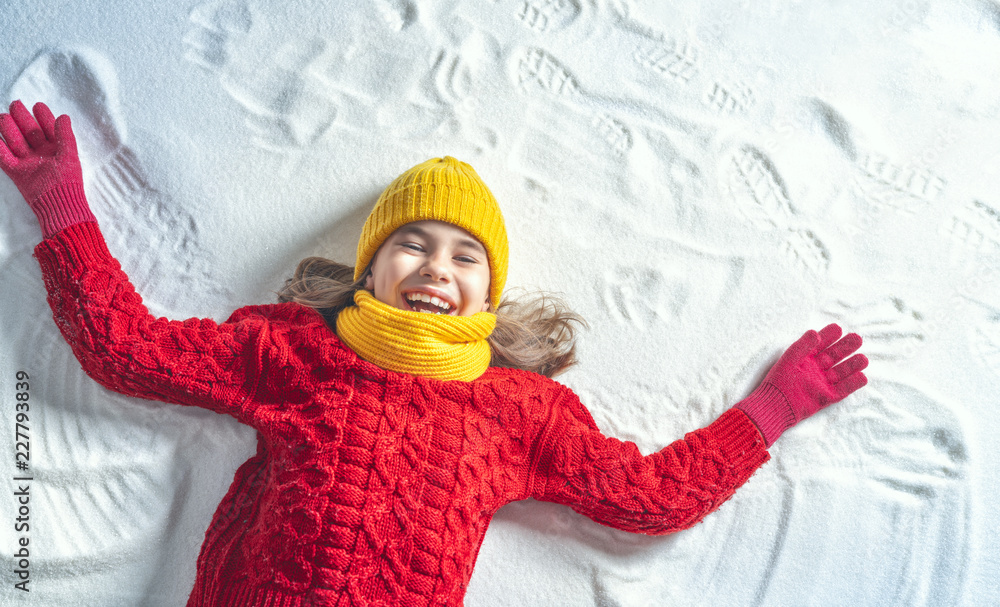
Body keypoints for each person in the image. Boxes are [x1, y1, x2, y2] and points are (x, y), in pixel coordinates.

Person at [0, 100, 868, 607]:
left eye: (464, 257)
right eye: (410, 243)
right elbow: (128, 351)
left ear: (487, 297)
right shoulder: (299, 352)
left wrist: (775, 407)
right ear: (370, 266)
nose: (434, 268)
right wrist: (61, 204)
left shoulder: (519, 411)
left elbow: (647, 498)